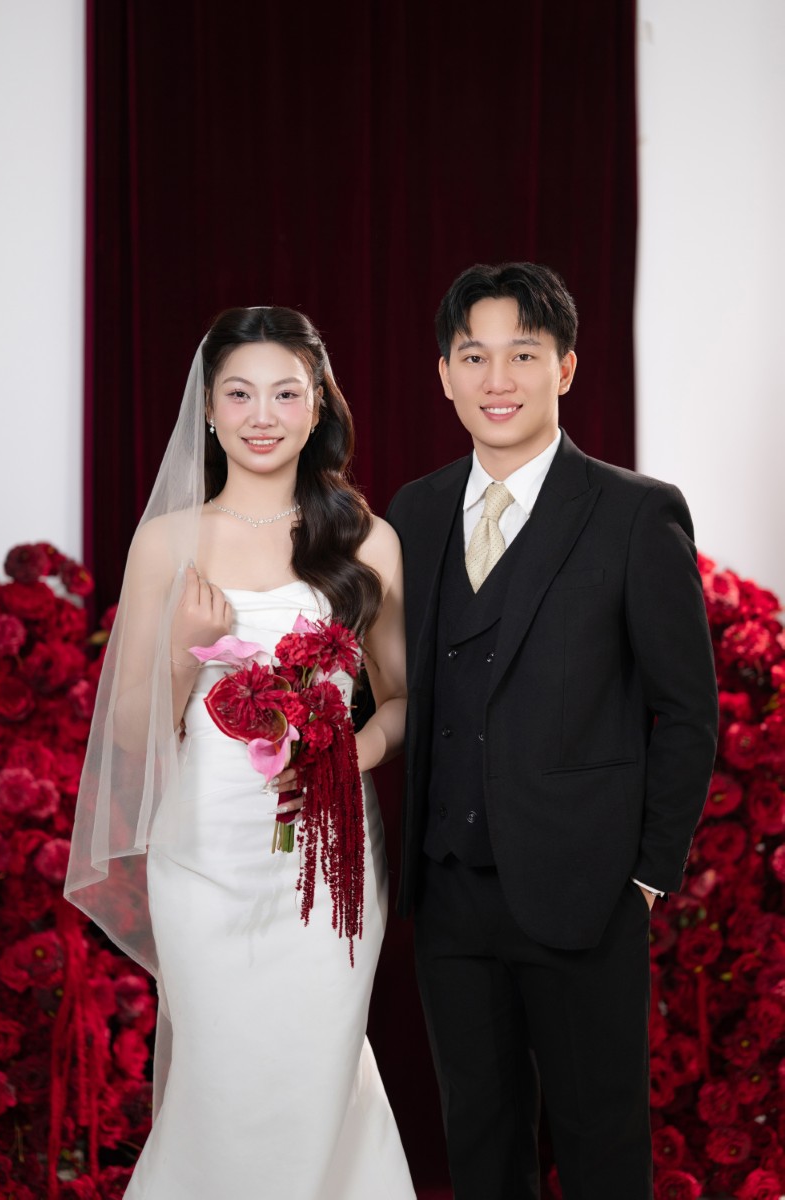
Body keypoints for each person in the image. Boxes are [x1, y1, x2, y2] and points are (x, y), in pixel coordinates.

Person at [65, 306, 415, 1199]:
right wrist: (185, 652)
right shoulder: (167, 541)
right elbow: (132, 732)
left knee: (319, 1065)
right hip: (204, 856)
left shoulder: (368, 541)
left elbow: (403, 701)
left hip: (328, 858)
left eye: (286, 394)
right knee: (221, 1077)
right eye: (240, 394)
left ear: (316, 406)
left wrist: (353, 751)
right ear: (210, 412)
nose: (263, 415)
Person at [386, 262, 718, 1199]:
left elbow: (687, 711)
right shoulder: (412, 513)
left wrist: (645, 877)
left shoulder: (633, 512)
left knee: (602, 1149)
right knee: (479, 1144)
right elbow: (396, 687)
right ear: (443, 375)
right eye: (474, 356)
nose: (498, 380)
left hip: (587, 891)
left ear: (564, 368)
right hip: (448, 895)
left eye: (523, 354)